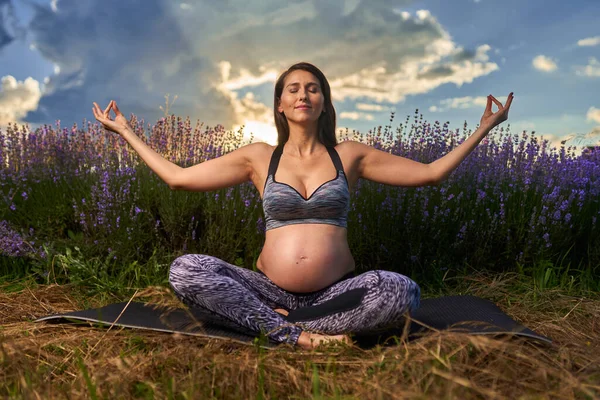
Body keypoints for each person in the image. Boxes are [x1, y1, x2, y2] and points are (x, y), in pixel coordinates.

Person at [92, 62, 513, 349]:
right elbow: (178, 179)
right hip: (267, 288)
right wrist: (126, 132)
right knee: (186, 269)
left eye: (313, 88)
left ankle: (273, 324)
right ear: (280, 104)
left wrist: (483, 130)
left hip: (335, 294)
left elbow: (430, 173)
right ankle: (299, 336)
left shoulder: (350, 155)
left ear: (324, 102)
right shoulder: (258, 157)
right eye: (293, 88)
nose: (303, 94)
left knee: (401, 289)